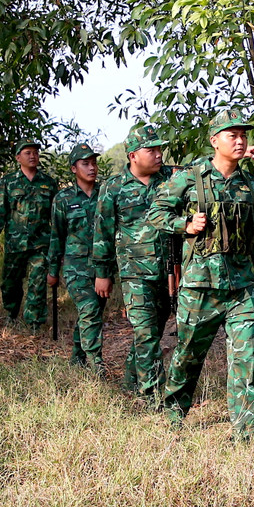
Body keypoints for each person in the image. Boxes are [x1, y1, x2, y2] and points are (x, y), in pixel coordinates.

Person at [149, 112, 254, 442]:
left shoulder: (248, 183)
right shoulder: (190, 177)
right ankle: (173, 416)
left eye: (243, 135)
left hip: (242, 288)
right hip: (200, 288)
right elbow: (156, 213)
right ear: (214, 141)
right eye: (232, 135)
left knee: (248, 360)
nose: (240, 140)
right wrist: (185, 225)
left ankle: (248, 434)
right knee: (188, 357)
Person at [90, 124, 179, 396]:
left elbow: (204, 169)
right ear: (132, 156)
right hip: (134, 274)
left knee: (152, 332)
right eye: (151, 150)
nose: (158, 154)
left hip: (167, 271)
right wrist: (103, 273)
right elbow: (103, 232)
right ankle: (153, 397)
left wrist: (240, 153)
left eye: (159, 149)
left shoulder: (172, 178)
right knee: (146, 334)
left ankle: (130, 383)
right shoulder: (113, 187)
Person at [0, 139, 59, 331]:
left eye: (35, 152)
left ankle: (34, 322)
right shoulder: (8, 182)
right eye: (28, 153)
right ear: (18, 158)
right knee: (10, 284)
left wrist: (59, 242)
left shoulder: (48, 183)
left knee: (38, 281)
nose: (33, 156)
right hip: (15, 244)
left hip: (41, 243)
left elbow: (57, 215)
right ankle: (11, 313)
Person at [48, 143, 107, 372]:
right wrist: (53, 270)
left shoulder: (105, 193)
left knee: (91, 314)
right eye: (85, 164)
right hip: (76, 268)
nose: (92, 168)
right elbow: (57, 236)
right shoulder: (63, 199)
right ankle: (96, 365)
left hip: (101, 268)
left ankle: (77, 358)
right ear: (74, 168)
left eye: (94, 163)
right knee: (89, 310)